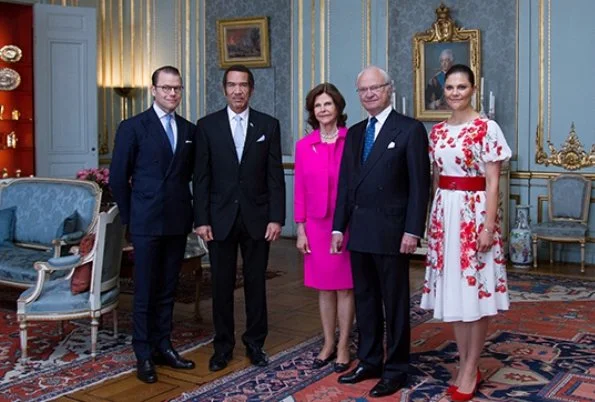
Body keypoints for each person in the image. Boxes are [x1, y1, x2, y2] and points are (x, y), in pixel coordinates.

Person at [331, 66, 431, 398]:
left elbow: (420, 187)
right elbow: (346, 184)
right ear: (358, 95)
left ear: (389, 88)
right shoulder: (356, 132)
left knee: (395, 303)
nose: (370, 94)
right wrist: (337, 227)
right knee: (366, 300)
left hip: (393, 233)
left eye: (376, 88)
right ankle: (370, 360)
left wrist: (413, 231)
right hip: (359, 231)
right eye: (363, 90)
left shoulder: (410, 129)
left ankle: (397, 368)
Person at [420, 64, 511, 402]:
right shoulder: (438, 132)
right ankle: (464, 362)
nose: (455, 93)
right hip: (446, 214)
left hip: (475, 215)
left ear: (473, 88)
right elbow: (435, 179)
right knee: (456, 293)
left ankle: (471, 367)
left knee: (477, 292)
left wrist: (489, 226)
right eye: (450, 87)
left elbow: (493, 182)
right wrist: (432, 219)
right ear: (443, 91)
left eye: (461, 87)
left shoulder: (487, 128)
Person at [193, 64, 286, 372]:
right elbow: (201, 177)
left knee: (256, 283)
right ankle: (222, 346)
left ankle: (255, 343)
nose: (237, 90)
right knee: (220, 286)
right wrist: (201, 219)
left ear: (251, 89)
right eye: (232, 85)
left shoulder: (268, 125)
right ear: (224, 89)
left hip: (258, 218)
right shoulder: (206, 126)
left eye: (243, 85)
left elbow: (275, 177)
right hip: (218, 219)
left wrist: (276, 218)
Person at [110, 66, 196, 384]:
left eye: (177, 88)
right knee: (145, 290)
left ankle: (163, 345)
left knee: (167, 289)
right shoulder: (133, 127)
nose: (172, 93)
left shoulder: (189, 130)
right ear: (153, 90)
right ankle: (143, 353)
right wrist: (132, 219)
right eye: (166, 88)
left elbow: (190, 177)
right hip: (145, 222)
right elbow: (119, 179)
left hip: (176, 221)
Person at [294, 83, 354, 374]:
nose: (323, 109)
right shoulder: (304, 146)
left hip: (346, 224)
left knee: (344, 287)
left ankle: (344, 345)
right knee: (323, 288)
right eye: (318, 105)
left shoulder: (352, 140)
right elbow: (300, 190)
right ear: (312, 111)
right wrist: (301, 229)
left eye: (328, 104)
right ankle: (328, 343)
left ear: (338, 108)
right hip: (316, 226)